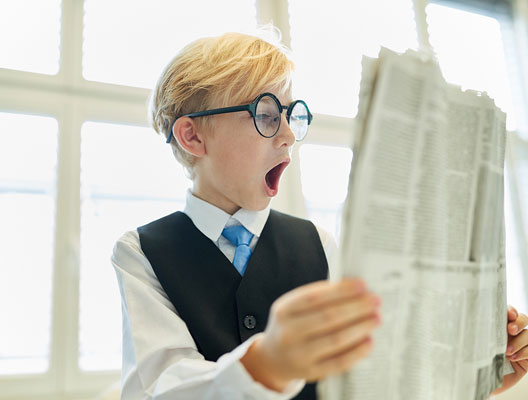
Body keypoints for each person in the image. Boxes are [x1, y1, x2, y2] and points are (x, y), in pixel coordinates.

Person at [111, 29, 528, 399]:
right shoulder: (140, 252)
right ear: (193, 135)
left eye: (291, 116)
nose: (289, 135)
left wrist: (471, 382)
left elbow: (365, 378)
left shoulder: (318, 244)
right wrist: (265, 365)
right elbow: (162, 385)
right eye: (267, 115)